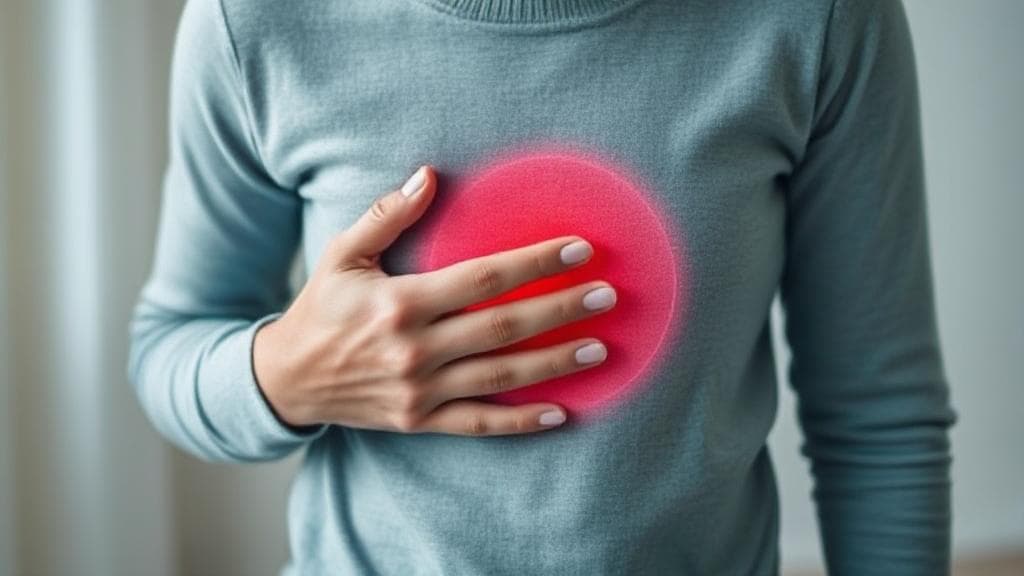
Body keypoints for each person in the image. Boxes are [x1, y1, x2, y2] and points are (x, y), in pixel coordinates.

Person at [127, 0, 957, 573]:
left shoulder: (817, 20)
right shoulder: (257, 21)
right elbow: (172, 342)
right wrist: (285, 376)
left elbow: (878, 417)